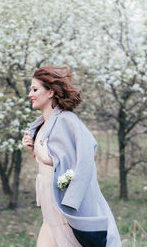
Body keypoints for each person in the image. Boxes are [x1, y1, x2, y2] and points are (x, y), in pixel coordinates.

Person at [22, 66, 122, 247]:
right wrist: (33, 152)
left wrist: (48, 159)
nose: (30, 94)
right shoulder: (41, 125)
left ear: (51, 92)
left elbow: (83, 156)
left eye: (35, 89)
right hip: (49, 213)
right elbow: (56, 159)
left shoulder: (67, 119)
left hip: (65, 214)